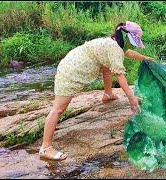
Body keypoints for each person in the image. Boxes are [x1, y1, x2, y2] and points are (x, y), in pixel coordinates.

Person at [39, 21, 154, 161]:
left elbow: (127, 53)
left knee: (107, 64)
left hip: (73, 60)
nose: (133, 45)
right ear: (127, 38)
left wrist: (145, 58)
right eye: (134, 41)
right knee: (58, 109)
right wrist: (132, 99)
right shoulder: (114, 47)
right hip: (71, 71)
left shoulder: (114, 42)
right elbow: (120, 74)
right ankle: (45, 148)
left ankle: (108, 93)